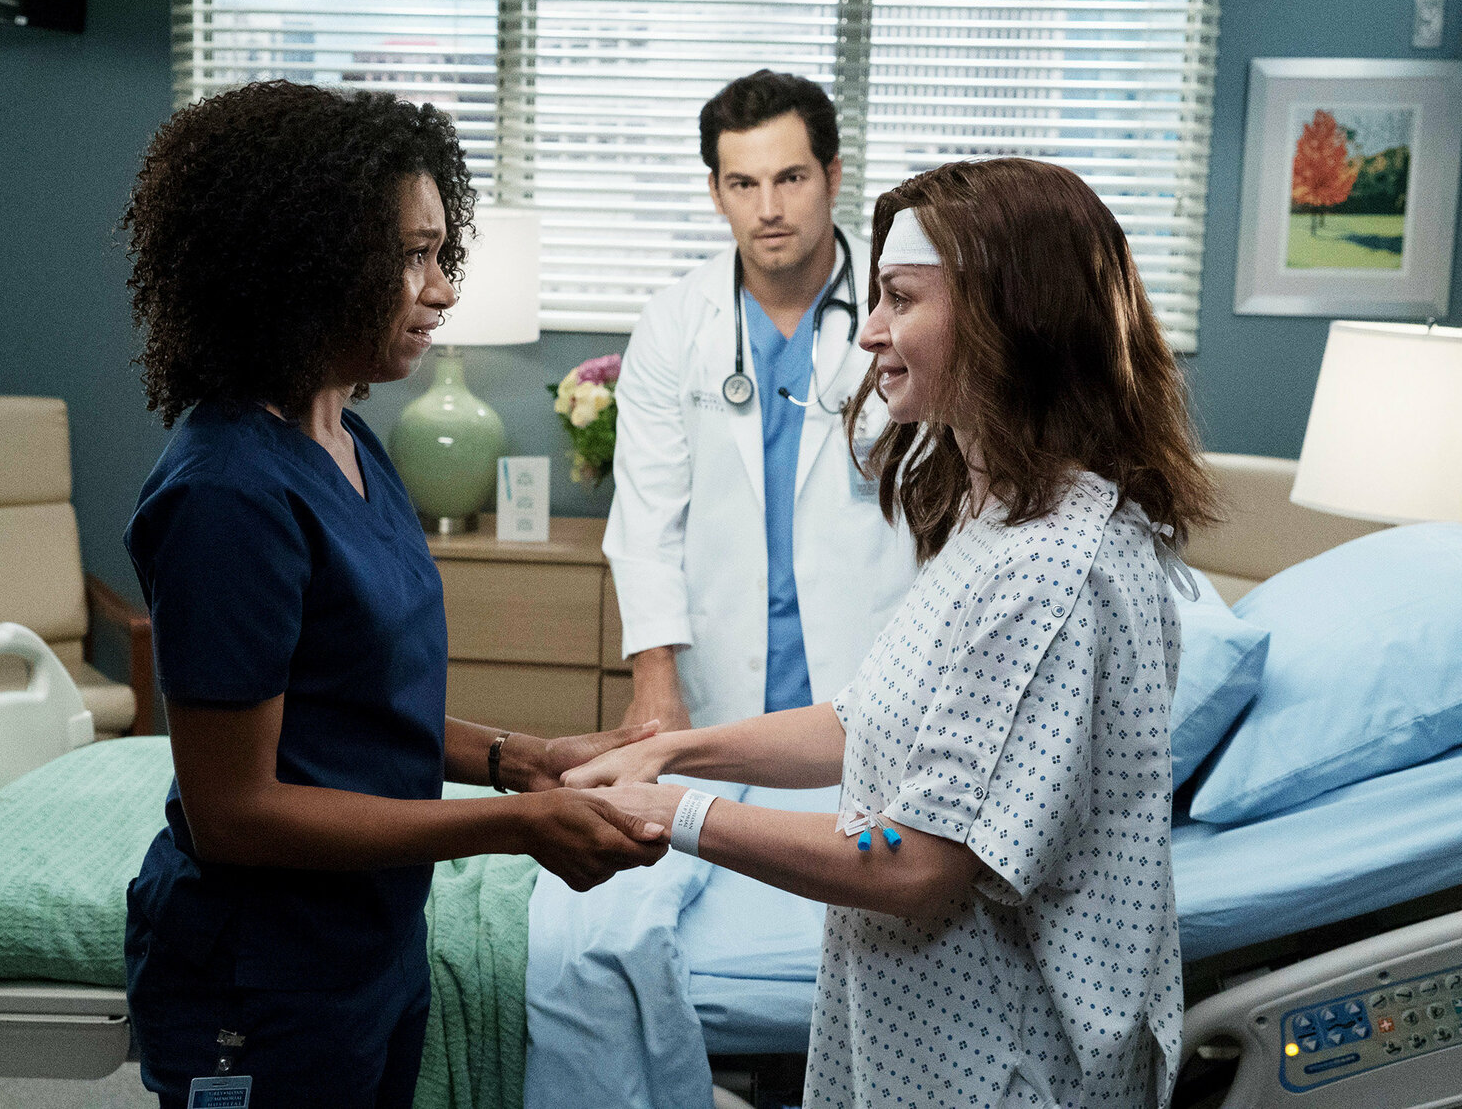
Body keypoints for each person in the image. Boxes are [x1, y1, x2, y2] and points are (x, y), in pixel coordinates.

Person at [568, 157, 1219, 1108]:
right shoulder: (998, 522)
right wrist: (672, 751)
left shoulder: (1051, 571)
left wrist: (675, 815)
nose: (869, 329)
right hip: (922, 1049)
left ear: (1006, 317)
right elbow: (867, 720)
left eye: (901, 299)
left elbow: (916, 863)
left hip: (1003, 1071)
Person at [118, 80, 666, 1109]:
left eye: (441, 253)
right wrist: (512, 826)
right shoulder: (228, 493)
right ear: (308, 258)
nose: (444, 289)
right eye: (413, 255)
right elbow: (235, 812)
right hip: (266, 974)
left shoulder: (347, 438)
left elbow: (352, 703)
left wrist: (516, 759)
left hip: (371, 937)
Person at [604, 70, 918, 734]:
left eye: (791, 178)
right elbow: (647, 522)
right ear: (716, 192)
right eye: (743, 184)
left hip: (878, 678)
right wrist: (655, 685)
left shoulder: (908, 311)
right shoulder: (674, 323)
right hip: (719, 689)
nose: (768, 208)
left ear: (833, 177)